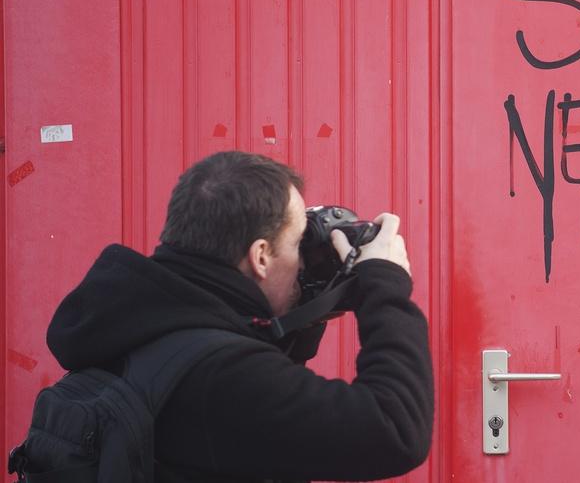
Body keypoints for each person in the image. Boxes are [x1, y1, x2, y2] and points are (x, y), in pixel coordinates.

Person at [45, 151, 433, 482]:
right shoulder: (220, 375)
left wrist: (309, 301)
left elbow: (252, 399)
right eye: (299, 241)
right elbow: (394, 430)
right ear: (261, 255)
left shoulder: (133, 323)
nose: (303, 257)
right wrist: (384, 284)